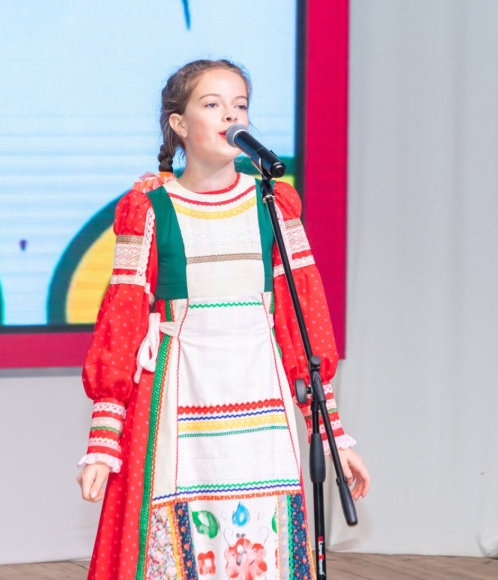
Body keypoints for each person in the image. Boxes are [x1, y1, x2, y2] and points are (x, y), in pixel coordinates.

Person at [76, 59, 370, 580]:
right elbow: (122, 320)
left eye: (240, 106)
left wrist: (332, 434)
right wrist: (104, 440)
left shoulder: (272, 205)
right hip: (179, 402)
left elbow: (303, 318)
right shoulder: (150, 209)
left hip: (260, 404)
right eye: (212, 105)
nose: (230, 116)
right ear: (179, 123)